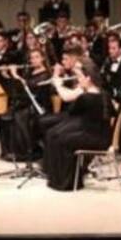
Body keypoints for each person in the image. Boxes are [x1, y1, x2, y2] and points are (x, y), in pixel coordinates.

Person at [42, 62, 109, 191]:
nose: (78, 80)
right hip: (102, 135)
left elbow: (72, 111)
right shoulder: (103, 94)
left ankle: (65, 182)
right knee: (58, 135)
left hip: (93, 137)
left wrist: (59, 86)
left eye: (80, 77)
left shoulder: (86, 98)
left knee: (59, 139)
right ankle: (65, 178)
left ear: (88, 78)